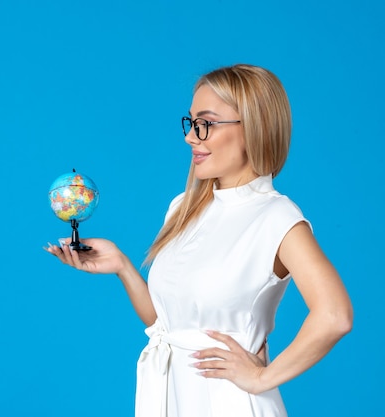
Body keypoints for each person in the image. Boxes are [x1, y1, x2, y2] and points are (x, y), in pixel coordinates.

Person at [44, 64, 353, 417]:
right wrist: (123, 268)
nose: (191, 136)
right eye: (190, 122)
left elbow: (334, 315)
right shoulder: (184, 206)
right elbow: (171, 325)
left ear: (254, 127)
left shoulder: (276, 218)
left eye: (205, 123)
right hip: (168, 397)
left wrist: (262, 377)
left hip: (228, 403)